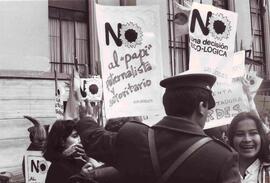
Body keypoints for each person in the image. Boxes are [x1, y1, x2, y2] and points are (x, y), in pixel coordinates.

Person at [76, 71, 241, 183]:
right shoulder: (222, 157)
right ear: (202, 106)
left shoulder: (133, 137)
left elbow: (94, 141)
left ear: (167, 104)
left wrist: (87, 118)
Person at [227, 112, 270, 183]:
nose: (247, 139)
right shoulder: (220, 169)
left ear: (261, 136)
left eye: (253, 133)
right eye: (240, 134)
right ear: (231, 138)